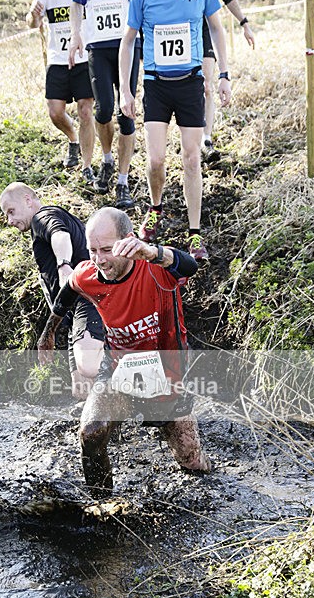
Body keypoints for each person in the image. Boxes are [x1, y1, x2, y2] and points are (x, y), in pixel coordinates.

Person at [38, 207, 210, 498]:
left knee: (191, 462)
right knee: (91, 432)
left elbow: (189, 267)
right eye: (93, 250)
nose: (99, 259)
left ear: (127, 241)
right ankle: (104, 508)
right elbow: (68, 289)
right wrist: (48, 332)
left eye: (106, 249)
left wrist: (152, 251)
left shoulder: (156, 267)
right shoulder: (90, 274)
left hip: (169, 374)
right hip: (118, 369)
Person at [119, 0, 232, 260]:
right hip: (156, 84)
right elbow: (128, 40)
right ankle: (156, 209)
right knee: (156, 160)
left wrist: (224, 74)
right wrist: (125, 90)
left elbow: (217, 28)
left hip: (191, 83)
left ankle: (194, 232)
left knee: (192, 160)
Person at [0, 182, 104, 397]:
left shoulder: (42, 217)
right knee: (81, 391)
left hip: (88, 299)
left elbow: (60, 236)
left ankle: (134, 384)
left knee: (89, 366)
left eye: (11, 211)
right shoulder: (44, 223)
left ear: (28, 200)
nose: (9, 221)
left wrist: (64, 266)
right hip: (74, 310)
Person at [69, 0, 140, 209]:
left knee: (125, 113)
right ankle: (107, 159)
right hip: (98, 47)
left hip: (127, 43)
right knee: (103, 109)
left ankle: (123, 182)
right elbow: (76, 3)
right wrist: (75, 34)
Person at [26, 0, 96, 184]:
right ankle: (73, 137)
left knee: (85, 111)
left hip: (83, 56)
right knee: (55, 112)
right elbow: (32, 23)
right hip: (58, 58)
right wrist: (33, 15)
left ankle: (87, 166)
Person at [202, 0, 254, 161]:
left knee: (206, 86)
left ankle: (206, 140)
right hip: (178, 27)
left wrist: (244, 23)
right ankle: (189, 134)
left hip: (204, 27)